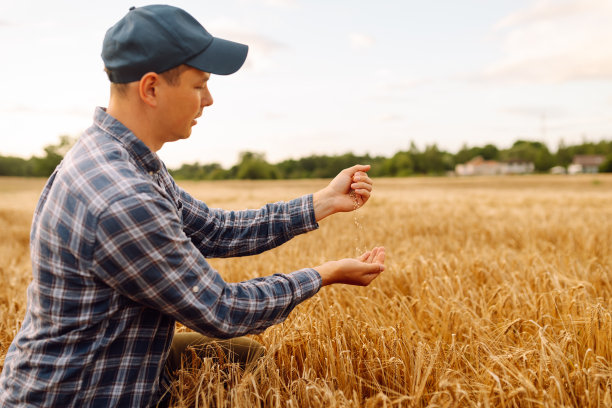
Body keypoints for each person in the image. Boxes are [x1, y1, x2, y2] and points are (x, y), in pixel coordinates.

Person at [0, 5, 385, 407]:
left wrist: (322, 202)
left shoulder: (119, 154)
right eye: (199, 85)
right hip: (82, 391)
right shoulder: (122, 197)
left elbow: (213, 229)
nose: (210, 99)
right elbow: (222, 310)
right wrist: (325, 274)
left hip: (98, 357)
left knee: (242, 357)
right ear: (151, 89)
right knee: (233, 347)